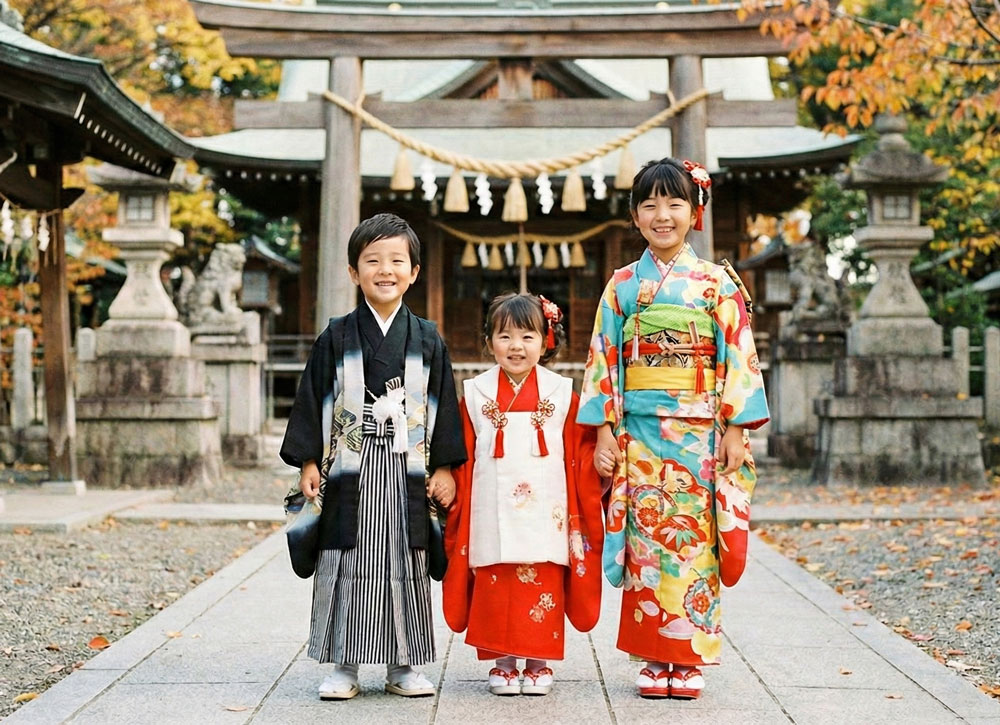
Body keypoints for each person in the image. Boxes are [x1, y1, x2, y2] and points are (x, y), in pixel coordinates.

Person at [577, 158, 769, 700]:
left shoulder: (716, 283)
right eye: (650, 205)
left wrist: (736, 428)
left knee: (695, 540)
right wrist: (605, 430)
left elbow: (738, 353)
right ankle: (650, 654)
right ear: (635, 216)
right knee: (645, 541)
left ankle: (686, 658)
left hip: (699, 434)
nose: (662, 215)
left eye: (674, 203)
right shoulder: (621, 285)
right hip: (638, 433)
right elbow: (603, 356)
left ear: (694, 212)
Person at [280, 212, 467, 701]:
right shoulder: (337, 335)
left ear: (414, 272)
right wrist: (308, 461)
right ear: (353, 271)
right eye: (372, 260)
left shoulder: (427, 337)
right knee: (345, 558)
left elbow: (444, 403)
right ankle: (344, 665)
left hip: (409, 466)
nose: (385, 270)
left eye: (397, 261)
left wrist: (445, 465)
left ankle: (403, 664)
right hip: (349, 466)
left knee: (407, 558)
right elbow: (313, 397)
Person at [442, 293, 604, 697]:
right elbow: (460, 453)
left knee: (542, 576)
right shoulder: (475, 394)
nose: (516, 346)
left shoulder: (562, 393)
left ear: (546, 341)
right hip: (490, 507)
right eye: (505, 336)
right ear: (488, 342)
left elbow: (581, 450)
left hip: (546, 510)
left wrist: (600, 462)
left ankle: (537, 661)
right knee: (495, 578)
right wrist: (448, 478)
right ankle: (502, 662)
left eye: (528, 336)